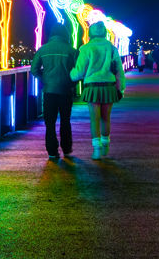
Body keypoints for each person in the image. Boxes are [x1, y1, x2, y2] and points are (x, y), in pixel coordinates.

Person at [70, 22, 126, 160]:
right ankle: (106, 143)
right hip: (109, 86)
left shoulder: (86, 48)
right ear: (104, 33)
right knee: (106, 118)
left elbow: (79, 72)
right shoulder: (112, 48)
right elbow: (119, 71)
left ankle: (96, 149)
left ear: (90, 33)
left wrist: (71, 75)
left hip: (92, 87)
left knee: (94, 119)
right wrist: (121, 88)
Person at [30, 24, 78, 160]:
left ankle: (52, 151)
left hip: (49, 91)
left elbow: (34, 70)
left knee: (49, 123)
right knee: (65, 121)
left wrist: (44, 79)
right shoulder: (72, 51)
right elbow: (79, 72)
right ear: (66, 34)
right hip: (66, 91)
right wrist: (71, 83)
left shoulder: (43, 49)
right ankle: (67, 148)